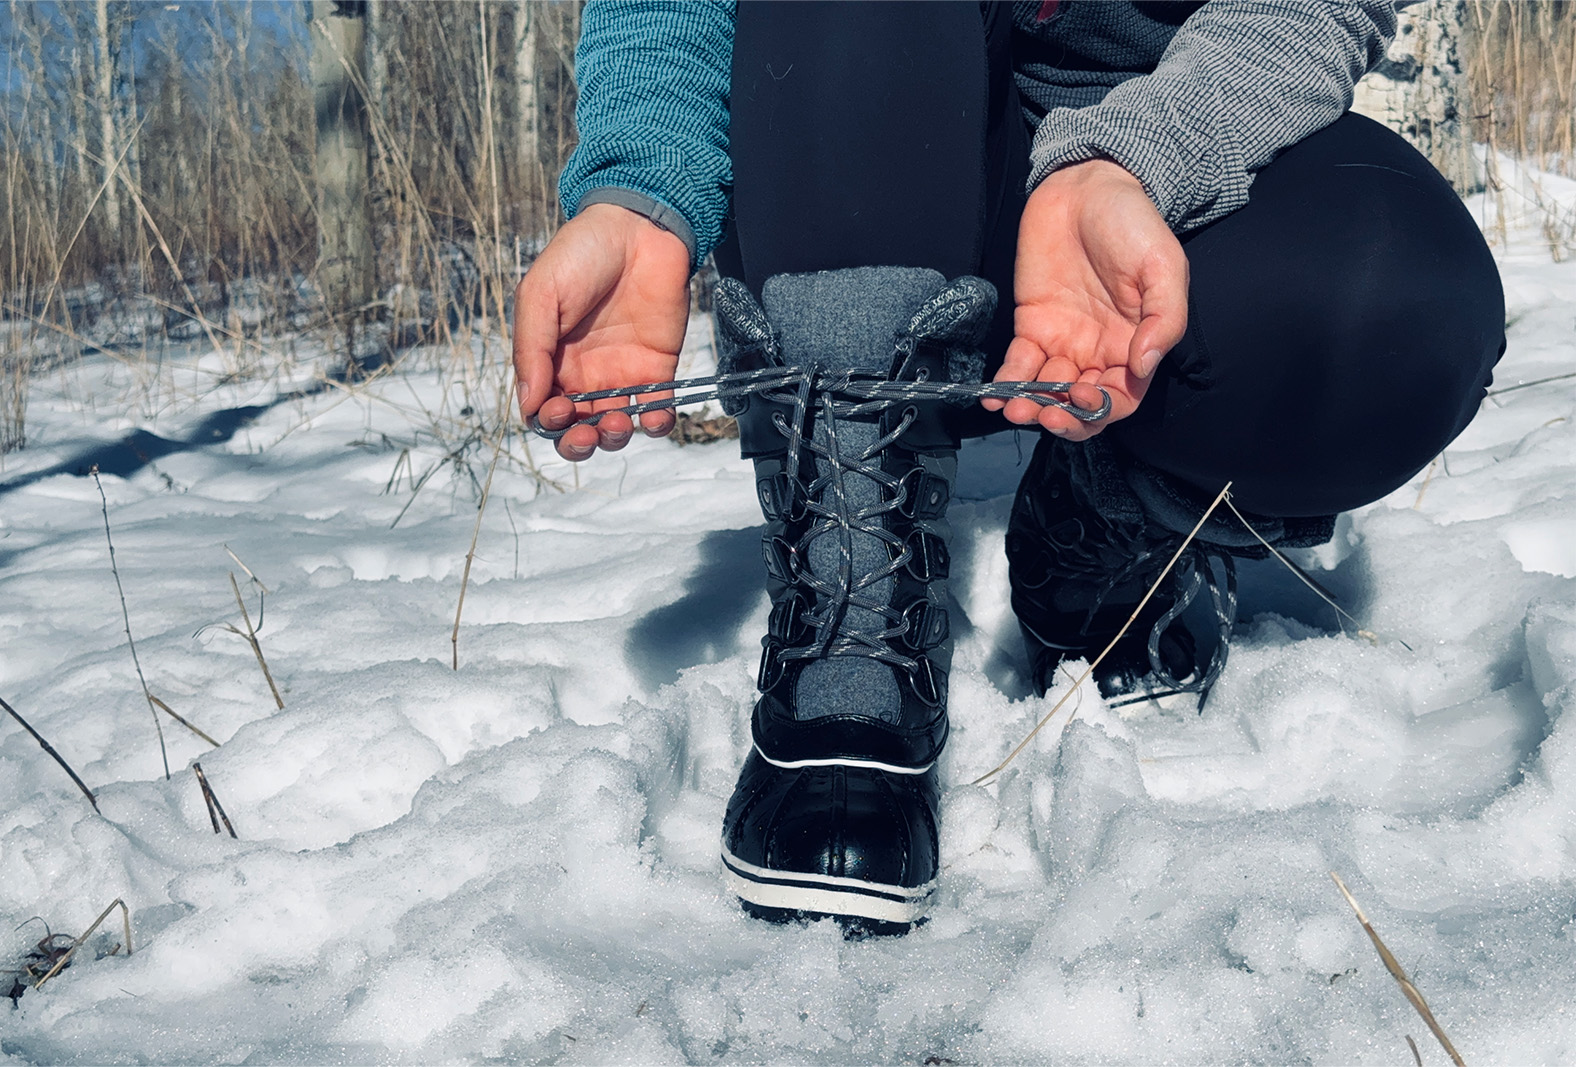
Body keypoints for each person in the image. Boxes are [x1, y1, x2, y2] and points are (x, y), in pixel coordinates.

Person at [513, 1, 1504, 934]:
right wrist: (640, 185)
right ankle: (853, 612)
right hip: (844, 152)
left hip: (1137, 181)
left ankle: (1104, 521)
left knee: (1390, 309)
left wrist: (1133, 157)